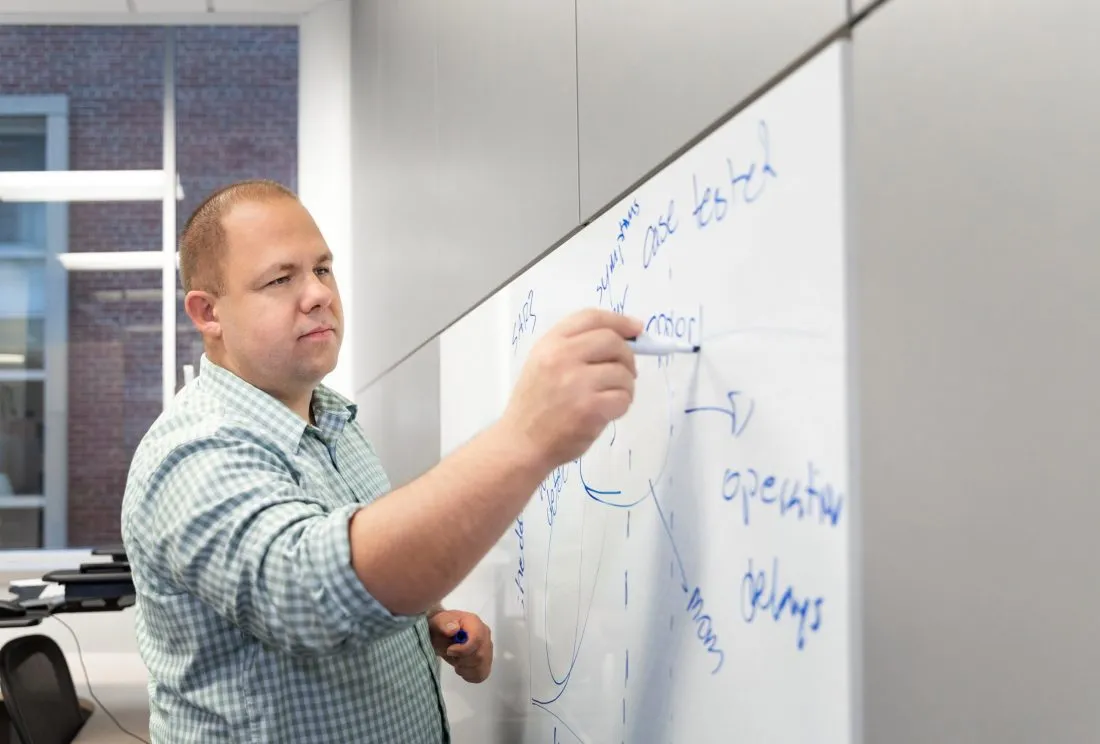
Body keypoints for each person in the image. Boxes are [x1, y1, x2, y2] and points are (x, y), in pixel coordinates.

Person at [120, 179, 643, 743]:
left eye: (322, 269)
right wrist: (524, 438)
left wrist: (428, 617)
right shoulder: (192, 452)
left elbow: (360, 562)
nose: (318, 294)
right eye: (280, 279)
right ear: (208, 313)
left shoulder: (334, 420)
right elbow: (312, 594)